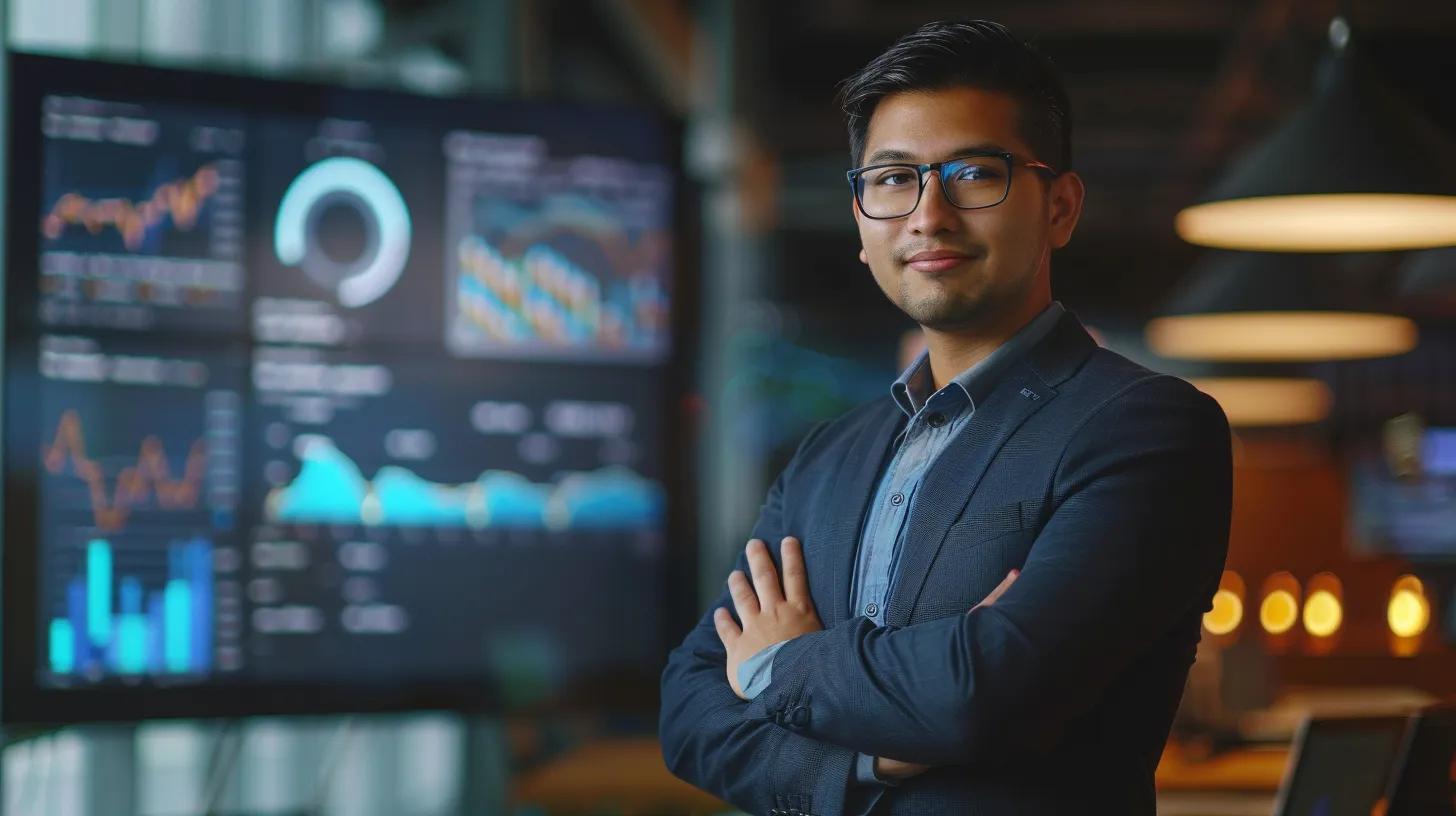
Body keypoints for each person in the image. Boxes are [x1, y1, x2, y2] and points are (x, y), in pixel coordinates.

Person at [660, 19, 1232, 815]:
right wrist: (867, 767)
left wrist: (780, 664)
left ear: (1061, 207)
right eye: (893, 178)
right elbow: (689, 708)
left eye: (973, 172)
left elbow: (984, 691)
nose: (929, 215)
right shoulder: (827, 457)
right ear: (861, 222)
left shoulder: (1146, 430)